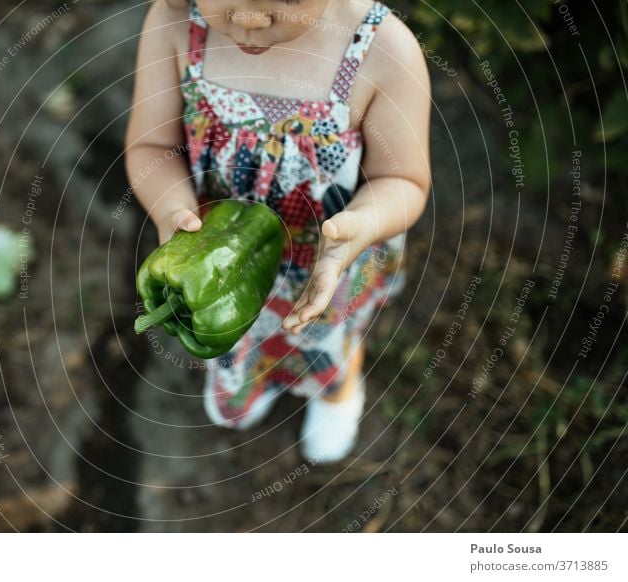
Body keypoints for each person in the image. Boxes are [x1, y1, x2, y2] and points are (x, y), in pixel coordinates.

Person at [125, 0, 431, 463]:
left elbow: (402, 180)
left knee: (324, 339)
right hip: (221, 259)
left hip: (325, 263)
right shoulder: (173, 25)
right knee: (233, 334)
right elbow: (152, 145)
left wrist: (361, 223)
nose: (248, 17)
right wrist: (173, 210)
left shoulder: (381, 51)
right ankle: (247, 382)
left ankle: (337, 390)